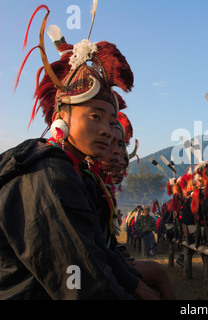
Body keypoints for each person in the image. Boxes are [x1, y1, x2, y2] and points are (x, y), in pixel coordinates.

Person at [0, 4, 158, 299]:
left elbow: (96, 249)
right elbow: (81, 283)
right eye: (94, 117)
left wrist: (137, 286)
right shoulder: (48, 175)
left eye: (111, 123)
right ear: (62, 112)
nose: (107, 132)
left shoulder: (72, 168)